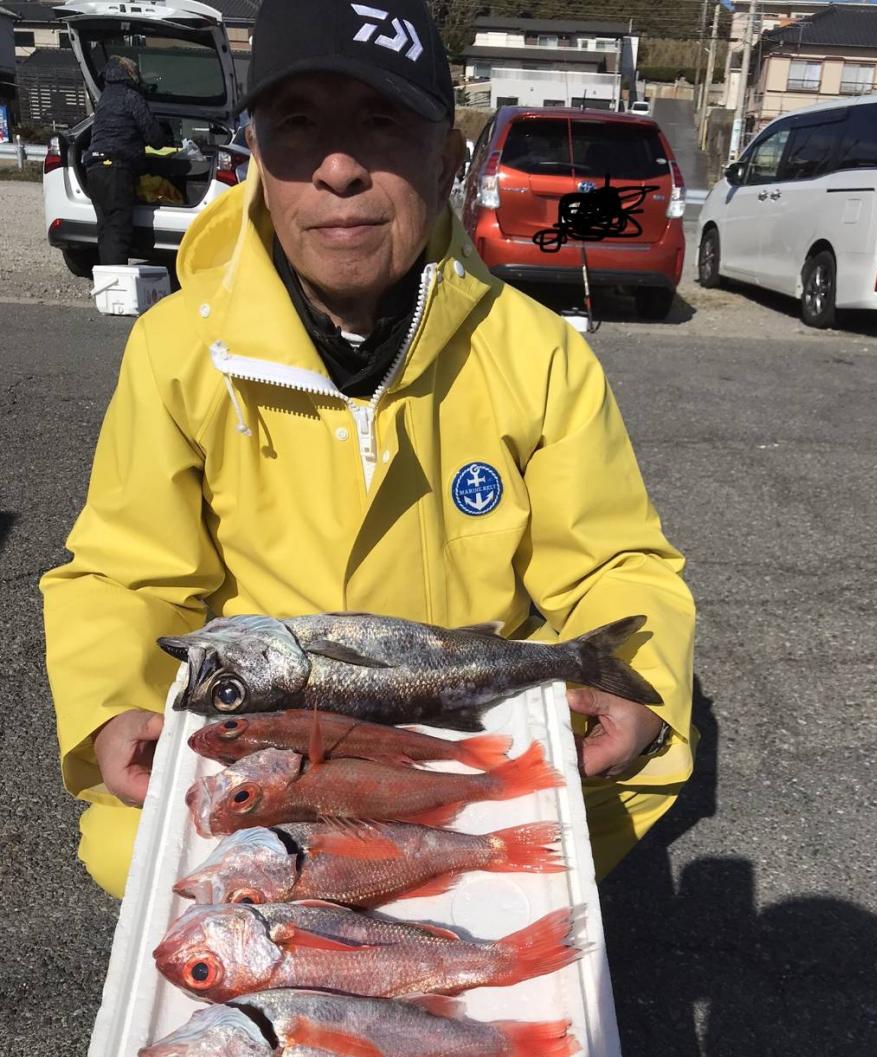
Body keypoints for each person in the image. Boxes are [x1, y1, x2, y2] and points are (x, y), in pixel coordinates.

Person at [40, 0, 696, 899]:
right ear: (256, 156)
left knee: (553, 848)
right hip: (263, 753)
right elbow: (125, 571)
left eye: (381, 122)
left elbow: (613, 561)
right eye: (297, 125)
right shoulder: (177, 348)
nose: (339, 167)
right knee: (155, 864)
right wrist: (113, 703)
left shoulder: (539, 353)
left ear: (448, 156)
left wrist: (637, 684)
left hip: (470, 738)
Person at [84, 55, 168, 265]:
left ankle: (106, 277)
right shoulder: (131, 96)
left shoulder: (105, 97)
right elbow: (155, 139)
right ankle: (116, 279)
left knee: (105, 228)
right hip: (115, 169)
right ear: (131, 74)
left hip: (94, 169)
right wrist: (165, 136)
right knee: (118, 230)